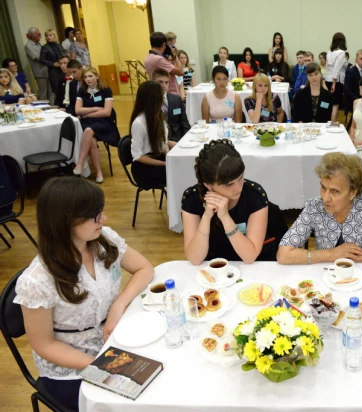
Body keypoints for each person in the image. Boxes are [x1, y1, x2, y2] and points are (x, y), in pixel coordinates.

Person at [14, 176, 154, 412]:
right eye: (95, 215)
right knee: (138, 401)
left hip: (114, 339)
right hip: (72, 365)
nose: (104, 219)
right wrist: (102, 365)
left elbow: (144, 268)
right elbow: (44, 345)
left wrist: (117, 307)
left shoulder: (102, 239)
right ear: (65, 221)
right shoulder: (37, 280)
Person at [277, 152, 362, 265]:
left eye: (335, 191)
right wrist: (332, 254)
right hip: (324, 274)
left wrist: (352, 257)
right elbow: (283, 254)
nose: (325, 198)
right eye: (323, 187)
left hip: (360, 275)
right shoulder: (314, 207)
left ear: (352, 193)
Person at [182, 140, 270, 264]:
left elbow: (249, 257)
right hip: (211, 267)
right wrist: (207, 217)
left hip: (247, 267)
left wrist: (225, 217)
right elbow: (195, 259)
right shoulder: (192, 199)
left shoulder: (254, 195)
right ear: (208, 185)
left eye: (240, 178)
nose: (238, 188)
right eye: (229, 184)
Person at [73, 67, 121, 183]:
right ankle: (98, 171)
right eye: (85, 77)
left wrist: (86, 114)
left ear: (97, 76)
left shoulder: (106, 90)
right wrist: (94, 108)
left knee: (89, 131)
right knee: (92, 141)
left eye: (90, 76)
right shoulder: (82, 91)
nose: (88, 79)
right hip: (87, 123)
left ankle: (80, 162)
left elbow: (106, 112)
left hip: (103, 122)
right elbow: (77, 110)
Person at [130, 81, 173, 188]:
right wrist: (165, 164)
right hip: (145, 168)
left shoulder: (158, 115)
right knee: (179, 173)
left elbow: (164, 143)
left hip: (158, 158)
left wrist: (169, 158)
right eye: (161, 95)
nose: (163, 98)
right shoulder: (139, 123)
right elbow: (138, 156)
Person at [152, 69, 190, 142]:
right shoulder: (149, 101)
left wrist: (186, 139)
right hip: (159, 141)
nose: (164, 85)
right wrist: (167, 143)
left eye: (166, 82)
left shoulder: (176, 99)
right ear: (153, 82)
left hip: (178, 139)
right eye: (160, 82)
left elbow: (184, 122)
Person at [144, 31, 184, 97]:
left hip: (158, 92)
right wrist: (175, 55)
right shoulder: (158, 59)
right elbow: (181, 72)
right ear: (163, 45)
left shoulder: (148, 57)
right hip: (168, 93)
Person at [325, 32, 347, 122]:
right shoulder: (341, 53)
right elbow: (336, 69)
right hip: (336, 81)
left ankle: (326, 121)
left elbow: (327, 67)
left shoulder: (329, 52)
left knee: (328, 103)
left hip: (327, 79)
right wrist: (334, 83)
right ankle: (333, 124)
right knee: (335, 104)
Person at [25, 27, 51, 101]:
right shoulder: (29, 45)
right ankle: (43, 108)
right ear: (33, 35)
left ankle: (52, 107)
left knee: (50, 91)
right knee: (43, 92)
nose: (40, 36)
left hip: (46, 70)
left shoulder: (38, 43)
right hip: (40, 72)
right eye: (38, 34)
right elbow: (39, 58)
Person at [40, 29, 66, 102]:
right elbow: (42, 60)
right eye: (46, 36)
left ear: (54, 36)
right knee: (56, 89)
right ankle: (59, 103)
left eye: (50, 35)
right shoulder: (44, 47)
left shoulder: (59, 46)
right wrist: (53, 64)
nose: (48, 37)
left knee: (65, 87)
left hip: (63, 69)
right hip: (53, 71)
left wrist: (63, 62)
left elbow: (64, 55)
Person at [343, 49, 362, 115]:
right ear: (356, 59)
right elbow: (347, 90)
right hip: (354, 99)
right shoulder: (350, 72)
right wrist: (359, 100)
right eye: (361, 59)